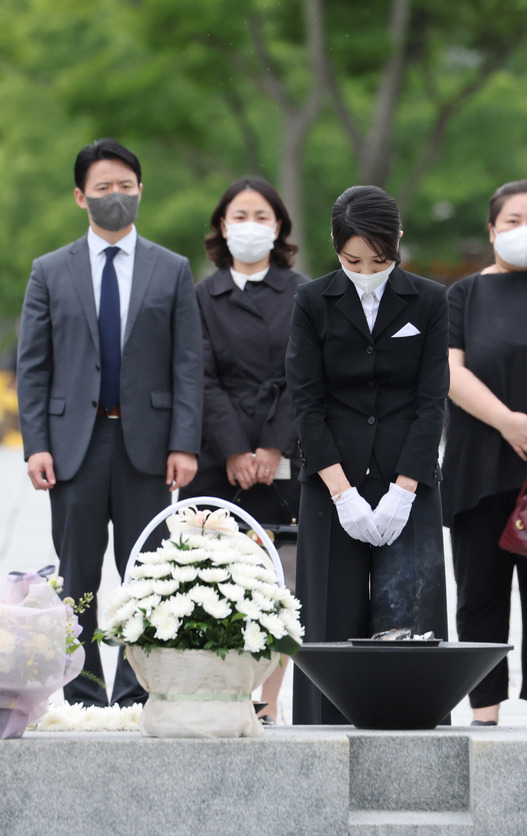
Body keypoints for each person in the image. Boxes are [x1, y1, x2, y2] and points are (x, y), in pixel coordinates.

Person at [16, 138, 203, 707]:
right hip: (74, 446)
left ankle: (135, 693)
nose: (115, 196)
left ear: (141, 190)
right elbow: (34, 364)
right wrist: (36, 444)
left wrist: (185, 443)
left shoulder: (171, 270)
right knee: (77, 578)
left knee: (147, 576)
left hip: (147, 445)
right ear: (81, 197)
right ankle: (84, 693)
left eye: (125, 186)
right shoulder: (50, 271)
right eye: (103, 188)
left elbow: (187, 362)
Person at [286, 185, 449, 725]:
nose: (366, 270)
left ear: (398, 243)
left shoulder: (428, 299)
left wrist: (404, 491)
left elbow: (431, 401)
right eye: (353, 260)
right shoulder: (312, 301)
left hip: (409, 480)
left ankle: (417, 753)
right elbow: (307, 402)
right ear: (335, 249)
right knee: (330, 625)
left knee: (413, 619)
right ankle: (323, 751)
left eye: (379, 260)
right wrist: (343, 492)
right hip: (333, 483)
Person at [442, 180, 527, 727]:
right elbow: (450, 371)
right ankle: (484, 713)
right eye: (513, 221)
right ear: (492, 229)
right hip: (480, 463)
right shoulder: (464, 295)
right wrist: (506, 421)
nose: (525, 231)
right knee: (479, 595)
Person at [179, 176, 306, 724]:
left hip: (285, 455)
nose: (250, 226)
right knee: (209, 579)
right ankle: (213, 700)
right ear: (221, 228)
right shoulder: (199, 295)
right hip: (215, 458)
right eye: (239, 216)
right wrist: (234, 448)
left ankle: (268, 706)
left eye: (261, 216)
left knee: (281, 583)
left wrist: (271, 446)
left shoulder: (304, 293)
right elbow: (198, 377)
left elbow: (303, 376)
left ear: (278, 227)